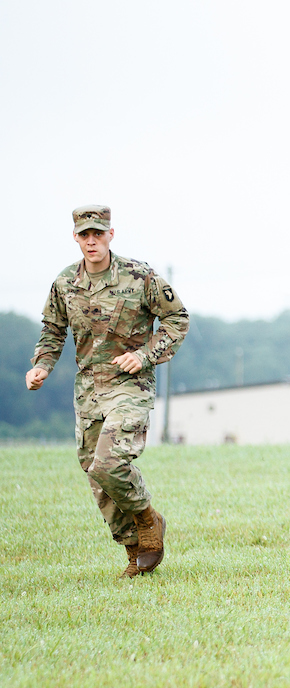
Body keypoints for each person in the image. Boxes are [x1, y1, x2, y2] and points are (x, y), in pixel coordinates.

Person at [25, 205, 189, 578]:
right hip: (88, 391)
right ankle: (135, 552)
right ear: (76, 238)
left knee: (109, 463)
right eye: (84, 234)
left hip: (130, 386)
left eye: (98, 233)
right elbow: (52, 331)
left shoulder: (139, 276)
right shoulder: (65, 283)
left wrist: (146, 355)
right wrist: (41, 366)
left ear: (111, 234)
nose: (92, 240)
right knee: (95, 474)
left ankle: (148, 518)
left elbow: (177, 319)